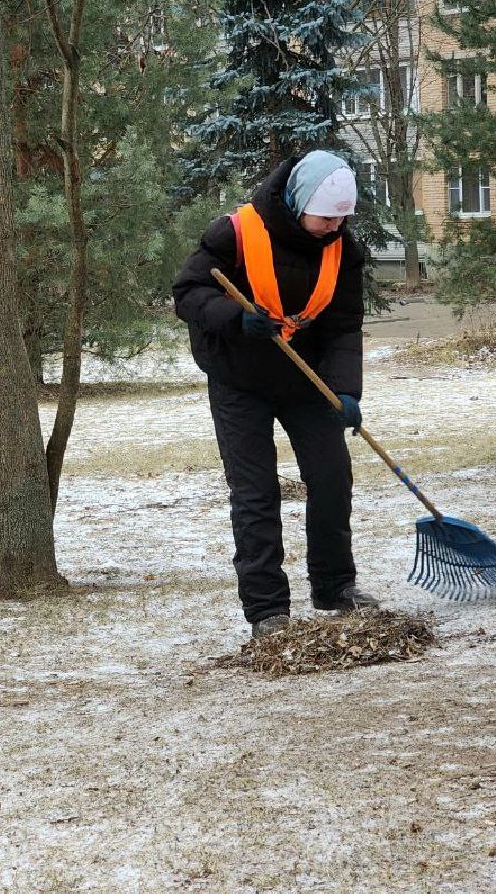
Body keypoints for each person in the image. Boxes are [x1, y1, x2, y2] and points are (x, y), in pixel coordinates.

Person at [174, 150, 378, 638]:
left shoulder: (344, 249)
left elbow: (345, 327)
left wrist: (346, 391)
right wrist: (236, 319)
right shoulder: (235, 232)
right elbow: (188, 294)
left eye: (342, 218)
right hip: (238, 378)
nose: (334, 227)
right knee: (255, 492)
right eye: (326, 216)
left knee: (331, 477)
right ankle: (267, 609)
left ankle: (334, 585)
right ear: (299, 200)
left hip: (306, 379)